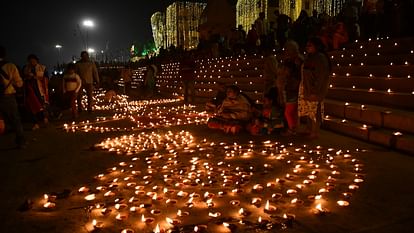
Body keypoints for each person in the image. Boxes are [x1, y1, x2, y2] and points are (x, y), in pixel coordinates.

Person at [298, 37, 331, 139]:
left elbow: (321, 76)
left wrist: (315, 91)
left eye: (310, 45)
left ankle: (315, 131)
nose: (307, 47)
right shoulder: (310, 57)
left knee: (315, 111)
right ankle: (309, 129)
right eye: (307, 45)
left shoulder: (320, 58)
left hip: (315, 89)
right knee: (309, 110)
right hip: (307, 87)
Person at [0, 46, 25, 148]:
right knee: (15, 119)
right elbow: (19, 83)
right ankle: (21, 142)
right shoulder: (10, 66)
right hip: (7, 97)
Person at [278, 41, 303, 136]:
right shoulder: (288, 60)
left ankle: (292, 129)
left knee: (289, 112)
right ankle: (294, 128)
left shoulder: (298, 60)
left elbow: (298, 75)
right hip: (289, 88)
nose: (285, 52)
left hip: (294, 88)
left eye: (287, 50)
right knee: (292, 111)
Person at [22, 54, 49, 130]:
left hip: (40, 89)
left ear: (37, 60)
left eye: (33, 60)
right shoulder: (26, 68)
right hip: (30, 90)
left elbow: (46, 78)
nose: (32, 62)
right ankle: (35, 123)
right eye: (30, 61)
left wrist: (36, 77)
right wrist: (28, 77)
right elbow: (22, 78)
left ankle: (44, 119)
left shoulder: (42, 67)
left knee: (42, 105)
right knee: (32, 106)